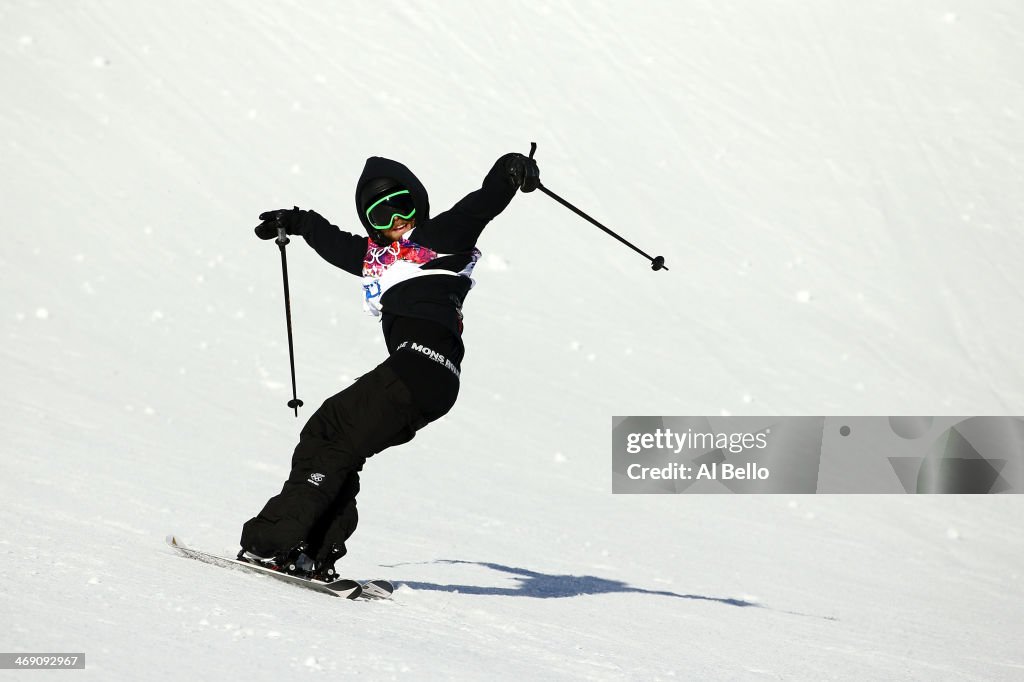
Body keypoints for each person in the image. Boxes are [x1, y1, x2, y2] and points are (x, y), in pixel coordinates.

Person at [238, 150, 540, 581]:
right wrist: (298, 221)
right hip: (435, 379)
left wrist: (512, 168)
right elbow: (334, 242)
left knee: (329, 432)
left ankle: (275, 544)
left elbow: (484, 200)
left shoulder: (442, 235)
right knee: (343, 445)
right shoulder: (376, 260)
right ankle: (309, 550)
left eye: (404, 205)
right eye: (382, 214)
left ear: (419, 203)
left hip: (418, 365)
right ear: (371, 223)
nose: (396, 219)